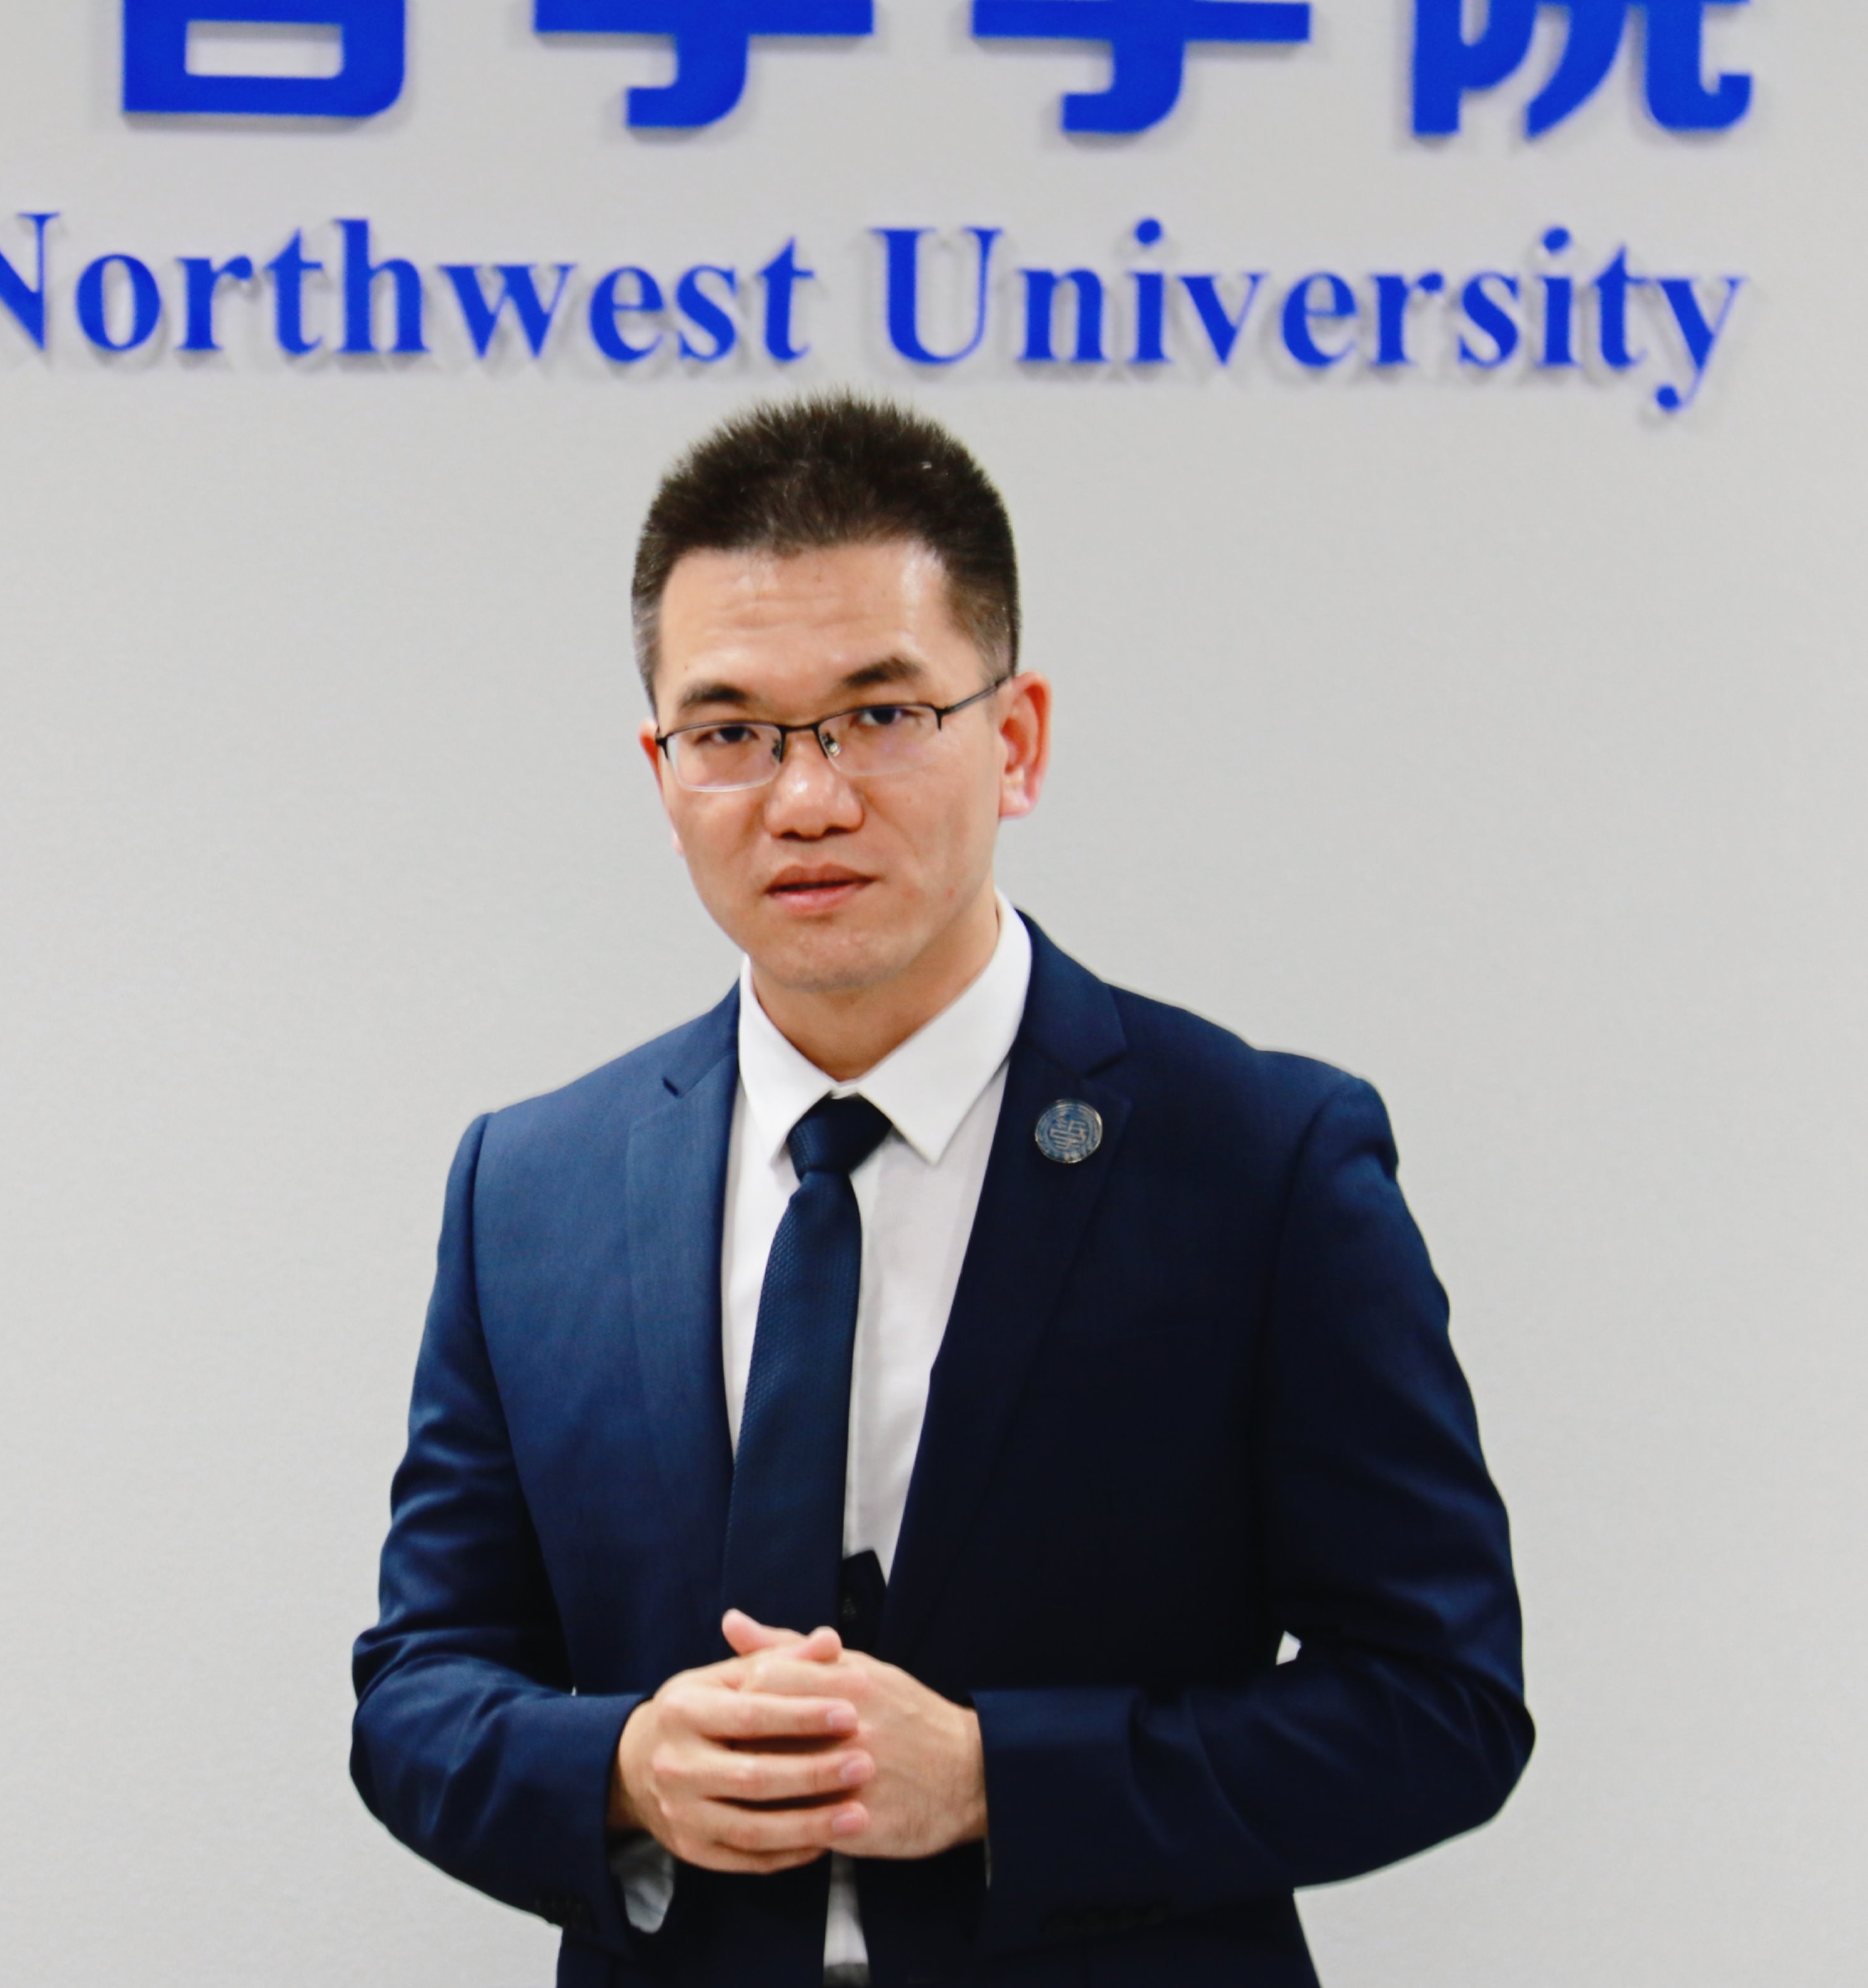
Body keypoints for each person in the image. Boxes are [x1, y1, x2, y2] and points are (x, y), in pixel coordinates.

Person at [350, 393, 1532, 1988]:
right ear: (661, 770)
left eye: (881, 714)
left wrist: (995, 1782)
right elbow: (418, 1686)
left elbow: (1441, 1704)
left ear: (1016, 740)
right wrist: (622, 1768)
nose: (808, 798)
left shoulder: (1264, 1160)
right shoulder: (530, 1186)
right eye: (731, 733)